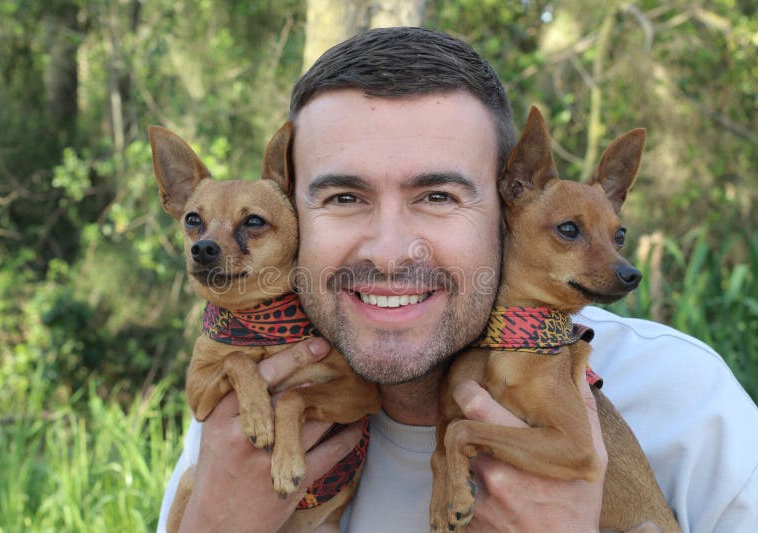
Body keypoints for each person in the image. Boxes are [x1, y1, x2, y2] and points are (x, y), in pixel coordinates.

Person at [158, 27, 758, 532]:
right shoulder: (243, 415)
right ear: (292, 215)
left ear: (510, 205)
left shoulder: (684, 402)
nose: (390, 252)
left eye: (438, 196)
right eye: (344, 197)